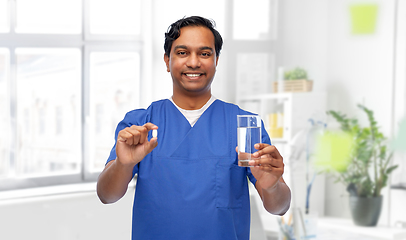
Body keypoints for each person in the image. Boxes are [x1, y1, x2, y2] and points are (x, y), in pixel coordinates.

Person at [97, 16, 291, 240]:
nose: (194, 62)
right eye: (182, 52)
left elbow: (279, 207)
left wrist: (272, 186)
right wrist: (123, 164)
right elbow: (106, 195)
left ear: (216, 60)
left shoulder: (244, 125)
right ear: (167, 60)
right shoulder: (140, 125)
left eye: (205, 53)